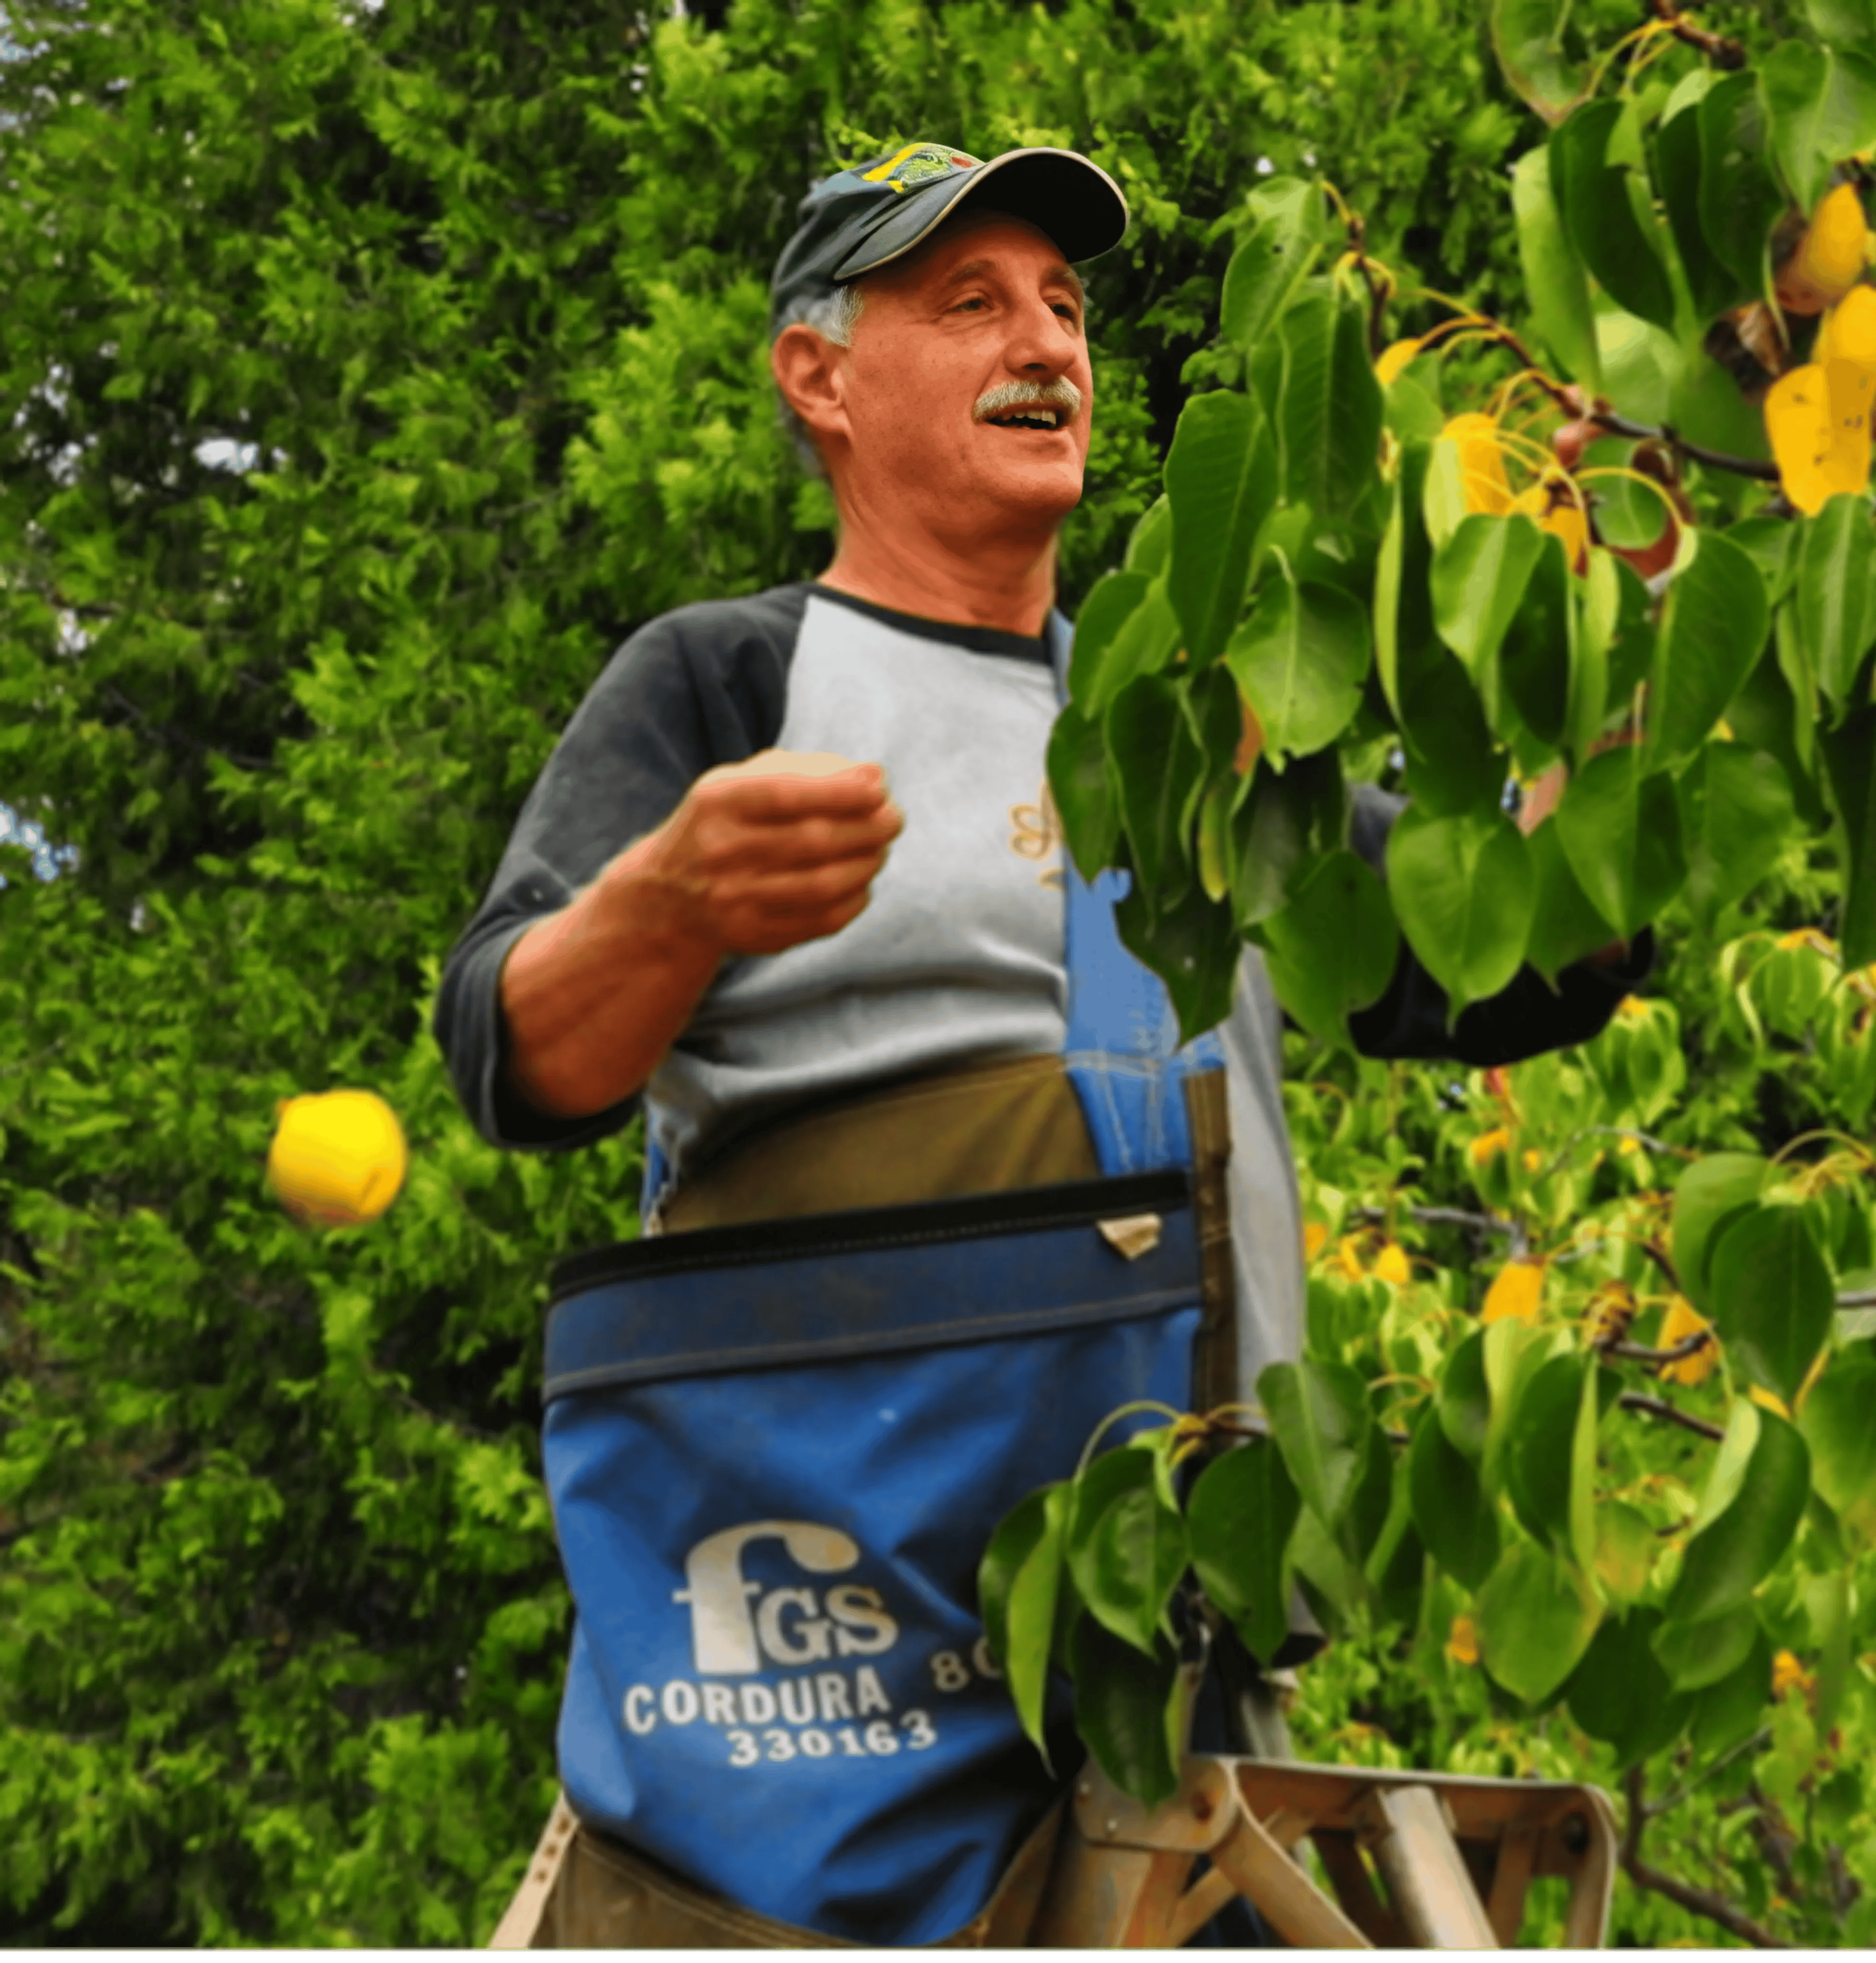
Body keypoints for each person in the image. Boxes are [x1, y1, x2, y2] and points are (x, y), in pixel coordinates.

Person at [436, 139, 1649, 1951]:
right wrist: (672, 897)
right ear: (818, 375)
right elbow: (513, 1055)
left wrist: (1596, 609)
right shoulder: (729, 683)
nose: (1049, 345)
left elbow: (1528, 956)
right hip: (835, 1690)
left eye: (1067, 308)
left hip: (1169, 1688)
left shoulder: (1184, 734)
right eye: (971, 302)